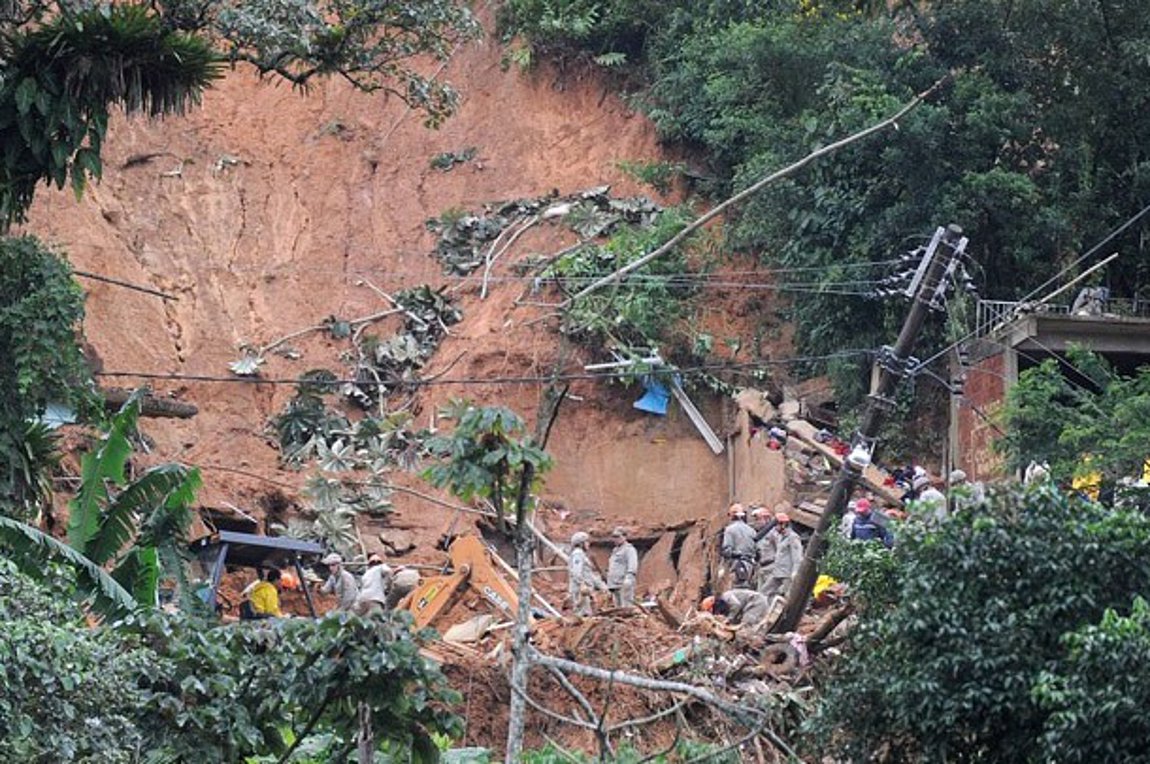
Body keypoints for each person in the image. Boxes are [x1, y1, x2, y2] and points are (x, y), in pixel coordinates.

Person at [759, 512, 802, 600]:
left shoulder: (793, 537)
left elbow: (797, 556)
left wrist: (795, 571)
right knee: (763, 592)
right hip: (777, 571)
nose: (775, 528)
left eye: (777, 525)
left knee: (788, 596)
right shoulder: (780, 537)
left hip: (787, 574)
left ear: (783, 525)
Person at [720, 503, 757, 587]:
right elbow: (757, 550)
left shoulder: (730, 530)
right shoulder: (752, 531)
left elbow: (727, 550)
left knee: (736, 590)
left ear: (732, 515)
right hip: (750, 565)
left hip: (737, 564)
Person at [567, 531, 602, 616]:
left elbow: (588, 574)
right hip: (581, 591)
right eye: (586, 542)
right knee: (583, 614)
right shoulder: (578, 554)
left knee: (586, 613)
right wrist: (582, 585)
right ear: (581, 543)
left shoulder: (581, 554)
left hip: (584, 591)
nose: (588, 544)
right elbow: (576, 572)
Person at [702, 588, 772, 629]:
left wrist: (729, 619)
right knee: (755, 627)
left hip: (756, 602)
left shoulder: (726, 596)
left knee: (745, 626)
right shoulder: (725, 602)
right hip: (755, 604)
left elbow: (736, 605)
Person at [606, 526, 639, 607]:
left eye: (618, 537)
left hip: (623, 584)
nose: (615, 539)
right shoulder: (615, 550)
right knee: (617, 608)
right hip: (614, 584)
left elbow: (633, 564)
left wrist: (629, 578)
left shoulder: (629, 549)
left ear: (624, 537)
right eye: (614, 537)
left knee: (626, 606)